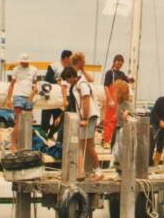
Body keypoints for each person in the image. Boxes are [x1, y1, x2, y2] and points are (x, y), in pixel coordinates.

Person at [71, 52, 103, 181]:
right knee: (82, 144)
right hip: (88, 115)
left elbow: (86, 99)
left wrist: (85, 118)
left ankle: (98, 171)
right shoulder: (77, 76)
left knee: (88, 145)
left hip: (89, 116)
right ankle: (81, 171)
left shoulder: (81, 80)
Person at [7, 53, 38, 153]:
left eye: (26, 62)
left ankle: (26, 145)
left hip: (29, 97)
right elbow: (12, 85)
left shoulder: (34, 69)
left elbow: (34, 84)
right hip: (18, 96)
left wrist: (34, 94)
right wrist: (9, 98)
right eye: (22, 62)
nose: (24, 64)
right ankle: (14, 145)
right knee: (18, 122)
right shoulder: (16, 69)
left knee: (28, 122)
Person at [103, 54, 134, 149]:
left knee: (116, 119)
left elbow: (127, 81)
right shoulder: (109, 73)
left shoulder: (122, 74)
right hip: (111, 97)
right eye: (118, 61)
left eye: (121, 61)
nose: (119, 63)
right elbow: (106, 86)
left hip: (119, 98)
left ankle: (113, 140)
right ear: (114, 61)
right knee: (109, 119)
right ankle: (106, 141)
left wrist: (130, 80)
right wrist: (110, 99)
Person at [41, 50, 72, 139]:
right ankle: (42, 139)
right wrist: (57, 82)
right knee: (45, 122)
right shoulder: (54, 65)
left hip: (60, 100)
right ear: (66, 58)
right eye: (70, 58)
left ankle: (50, 137)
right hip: (49, 98)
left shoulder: (70, 69)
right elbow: (47, 78)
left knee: (57, 122)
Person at [111, 80, 134, 173]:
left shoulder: (126, 103)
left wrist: (127, 112)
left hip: (122, 129)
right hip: (118, 127)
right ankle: (118, 167)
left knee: (119, 148)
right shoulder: (120, 103)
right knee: (115, 147)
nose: (114, 93)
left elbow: (132, 112)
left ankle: (121, 168)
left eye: (116, 91)